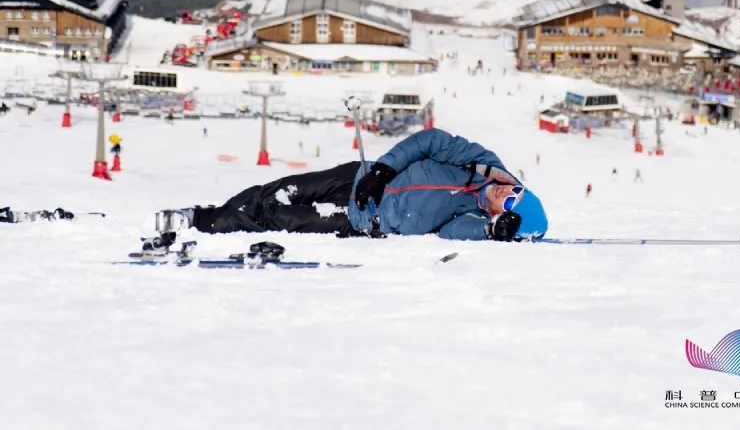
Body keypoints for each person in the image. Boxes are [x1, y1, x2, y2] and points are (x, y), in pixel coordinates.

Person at [162, 128, 548, 241]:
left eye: (511, 203)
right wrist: (382, 170)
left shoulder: (469, 216)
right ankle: (210, 213)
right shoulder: (479, 165)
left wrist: (489, 231)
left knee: (279, 216)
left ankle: (199, 220)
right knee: (280, 189)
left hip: (360, 220)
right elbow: (430, 141)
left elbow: (453, 233)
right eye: (517, 190)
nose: (507, 193)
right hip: (358, 178)